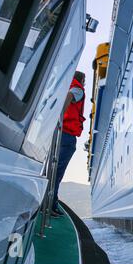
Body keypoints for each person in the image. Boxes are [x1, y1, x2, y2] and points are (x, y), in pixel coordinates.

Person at [51, 71, 86, 217]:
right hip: (67, 134)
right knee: (58, 172)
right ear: (81, 79)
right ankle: (51, 204)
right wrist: (60, 117)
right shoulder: (77, 89)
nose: (85, 83)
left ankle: (50, 201)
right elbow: (70, 96)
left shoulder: (65, 86)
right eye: (84, 80)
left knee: (53, 169)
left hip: (60, 133)